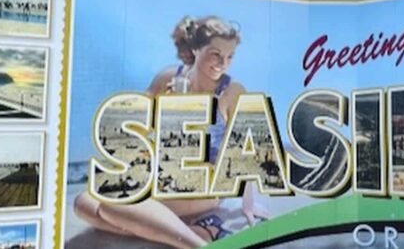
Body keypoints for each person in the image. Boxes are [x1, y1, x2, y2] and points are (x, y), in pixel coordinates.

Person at [73, 15, 270, 248]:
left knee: (111, 204)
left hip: (204, 187)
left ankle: (194, 243)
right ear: (196, 49)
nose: (223, 63)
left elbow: (246, 155)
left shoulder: (232, 91)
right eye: (216, 55)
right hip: (164, 176)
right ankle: (197, 231)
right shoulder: (169, 77)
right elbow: (134, 126)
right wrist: (159, 108)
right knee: (82, 202)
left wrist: (247, 206)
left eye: (229, 57)